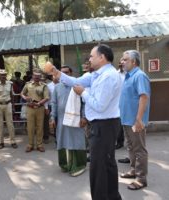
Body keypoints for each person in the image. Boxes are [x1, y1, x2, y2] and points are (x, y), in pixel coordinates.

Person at [44, 44, 122, 200]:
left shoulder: (109, 76)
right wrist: (56, 72)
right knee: (106, 164)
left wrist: (83, 93)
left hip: (105, 125)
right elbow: (75, 81)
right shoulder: (96, 74)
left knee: (99, 167)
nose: (89, 59)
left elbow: (99, 106)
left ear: (102, 57)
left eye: (92, 56)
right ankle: (112, 196)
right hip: (102, 125)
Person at [119, 50, 150, 190]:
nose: (122, 62)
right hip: (126, 120)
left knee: (139, 150)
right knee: (131, 147)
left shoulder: (139, 76)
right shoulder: (127, 76)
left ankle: (141, 178)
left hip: (135, 121)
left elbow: (144, 97)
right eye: (122, 59)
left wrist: (139, 119)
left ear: (134, 62)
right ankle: (133, 171)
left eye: (125, 59)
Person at [50, 66, 87, 176]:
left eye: (66, 72)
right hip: (61, 119)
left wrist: (84, 117)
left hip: (76, 119)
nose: (64, 74)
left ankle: (79, 165)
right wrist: (53, 118)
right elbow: (54, 103)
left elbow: (85, 102)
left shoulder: (78, 86)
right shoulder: (57, 87)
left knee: (76, 141)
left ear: (71, 73)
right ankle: (65, 164)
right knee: (62, 141)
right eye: (62, 73)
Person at [21, 68, 49, 153]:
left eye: (38, 76)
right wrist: (25, 97)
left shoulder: (44, 85)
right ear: (33, 76)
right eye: (35, 76)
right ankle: (30, 145)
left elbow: (47, 97)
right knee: (30, 127)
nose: (37, 77)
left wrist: (39, 103)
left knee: (40, 127)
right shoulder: (28, 84)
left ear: (40, 76)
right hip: (30, 108)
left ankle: (39, 145)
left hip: (40, 108)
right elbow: (22, 93)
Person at [0, 69, 18, 149]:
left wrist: (13, 106)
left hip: (8, 105)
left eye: (4, 75)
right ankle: (1, 142)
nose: (3, 76)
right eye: (1, 75)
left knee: (10, 124)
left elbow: (12, 95)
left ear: (6, 76)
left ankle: (13, 141)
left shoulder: (10, 84)